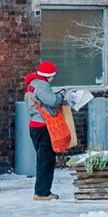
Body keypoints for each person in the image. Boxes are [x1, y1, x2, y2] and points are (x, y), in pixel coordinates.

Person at [23, 60, 64, 200]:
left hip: (34, 125)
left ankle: (42, 191)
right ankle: (42, 192)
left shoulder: (32, 84)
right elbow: (52, 101)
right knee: (47, 160)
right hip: (43, 125)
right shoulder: (42, 85)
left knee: (42, 159)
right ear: (49, 76)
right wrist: (61, 96)